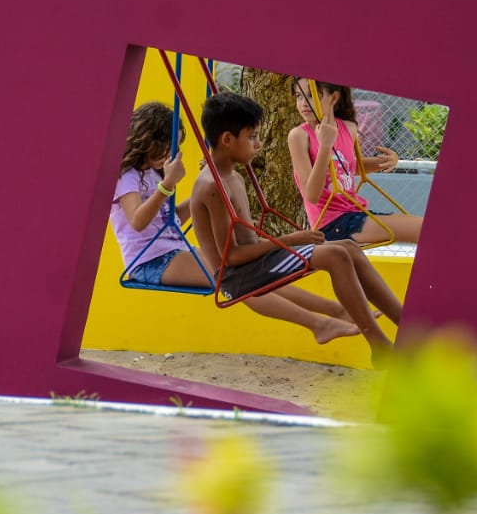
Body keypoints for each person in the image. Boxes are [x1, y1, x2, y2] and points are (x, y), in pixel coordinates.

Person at [111, 101, 362, 346]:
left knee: (254, 273)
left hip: (174, 252)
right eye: (166, 146)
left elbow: (171, 218)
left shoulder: (153, 174)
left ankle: (336, 311)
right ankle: (320, 324)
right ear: (146, 140)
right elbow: (138, 222)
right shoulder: (127, 176)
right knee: (232, 280)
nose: (169, 153)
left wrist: (203, 185)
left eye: (174, 147)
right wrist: (167, 186)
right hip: (149, 262)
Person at [191, 91, 402, 350]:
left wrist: (288, 242)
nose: (258, 144)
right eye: (252, 136)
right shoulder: (214, 185)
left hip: (254, 262)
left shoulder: (232, 177)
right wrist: (291, 240)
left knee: (348, 247)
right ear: (226, 139)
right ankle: (381, 347)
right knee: (335, 255)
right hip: (237, 277)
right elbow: (231, 257)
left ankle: (405, 323)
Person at [287, 77, 424, 245]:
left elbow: (346, 168)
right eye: (299, 96)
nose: (303, 103)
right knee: (421, 228)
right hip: (331, 224)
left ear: (334, 98)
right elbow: (312, 195)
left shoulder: (348, 128)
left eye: (312, 95)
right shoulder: (299, 136)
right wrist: (325, 146)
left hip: (354, 212)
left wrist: (386, 162)